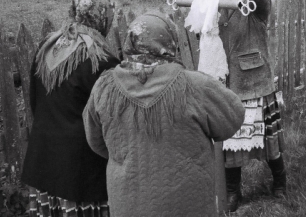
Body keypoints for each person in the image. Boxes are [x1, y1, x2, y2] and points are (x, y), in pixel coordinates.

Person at [83, 12, 245, 217]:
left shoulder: (104, 88)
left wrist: (129, 155)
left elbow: (95, 140)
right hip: (186, 204)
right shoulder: (194, 85)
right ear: (169, 42)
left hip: (129, 203)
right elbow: (233, 117)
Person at [22, 0, 120, 217]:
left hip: (44, 159)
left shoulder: (48, 45)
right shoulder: (101, 60)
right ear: (101, 16)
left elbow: (36, 102)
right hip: (80, 169)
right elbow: (111, 120)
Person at [219, 0, 286, 212]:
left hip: (256, 85)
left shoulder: (256, 10)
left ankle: (280, 182)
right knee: (231, 147)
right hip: (229, 88)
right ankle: (233, 193)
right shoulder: (219, 10)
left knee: (270, 142)